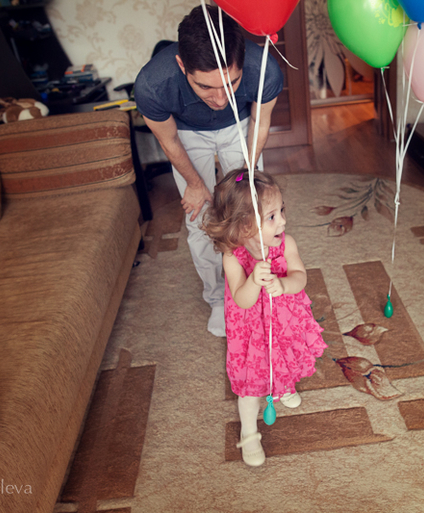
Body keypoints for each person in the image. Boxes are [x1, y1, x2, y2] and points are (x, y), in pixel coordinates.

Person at [134, 5, 284, 337]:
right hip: (187, 133)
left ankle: (257, 286)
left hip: (240, 125)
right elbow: (169, 139)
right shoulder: (152, 84)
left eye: (231, 83)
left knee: (250, 211)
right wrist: (194, 183)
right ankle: (217, 297)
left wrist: (246, 180)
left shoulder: (264, 69)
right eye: (205, 87)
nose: (220, 98)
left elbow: (260, 122)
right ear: (181, 66)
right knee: (201, 219)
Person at [202, 170, 327, 466]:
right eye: (272, 216)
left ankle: (284, 387)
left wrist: (284, 284)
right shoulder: (232, 257)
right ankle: (248, 432)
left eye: (282, 210)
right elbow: (242, 300)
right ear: (244, 225)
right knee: (252, 382)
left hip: (284, 321)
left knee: (286, 355)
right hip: (251, 332)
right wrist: (254, 281)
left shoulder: (287, 243)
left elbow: (300, 276)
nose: (282, 221)